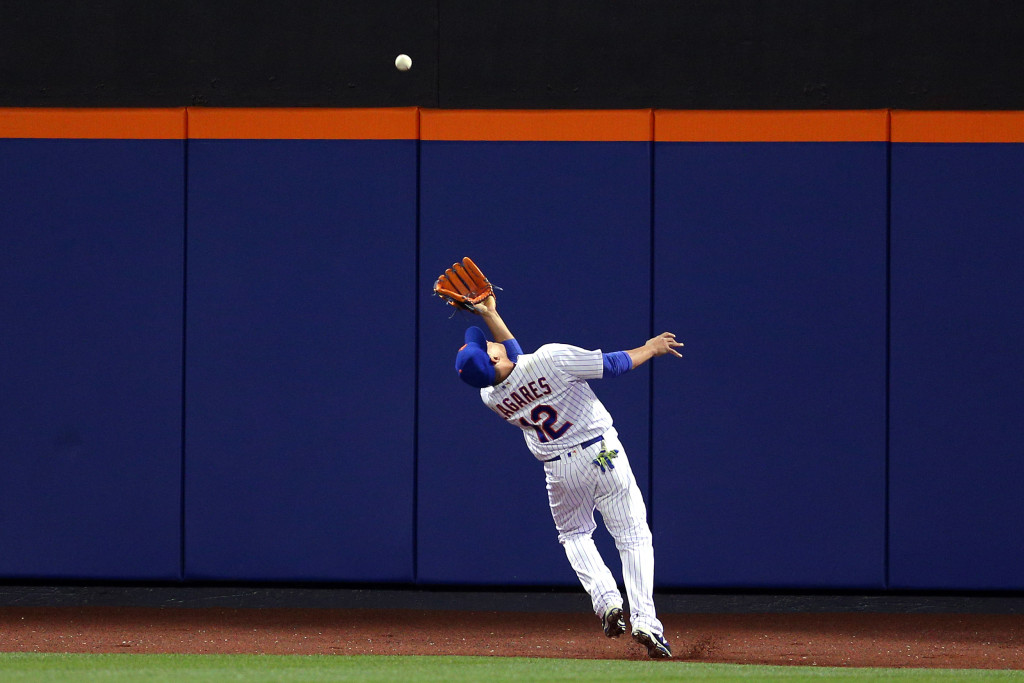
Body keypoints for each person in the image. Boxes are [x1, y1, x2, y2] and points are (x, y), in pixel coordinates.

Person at [453, 294, 683, 659]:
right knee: (633, 535)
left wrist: (492, 314)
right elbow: (613, 365)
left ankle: (606, 600)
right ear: (494, 359)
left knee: (574, 534)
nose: (490, 341)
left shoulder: (488, 395)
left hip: (560, 468)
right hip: (602, 452)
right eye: (487, 346)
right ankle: (645, 621)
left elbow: (519, 363)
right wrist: (650, 348)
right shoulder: (550, 356)